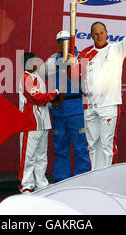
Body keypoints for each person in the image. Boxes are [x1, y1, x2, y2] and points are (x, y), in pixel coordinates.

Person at [68, 0, 126, 170]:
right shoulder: (84, 54)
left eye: (102, 32)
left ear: (106, 33)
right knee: (92, 145)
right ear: (91, 35)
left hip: (109, 105)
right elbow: (74, 80)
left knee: (107, 146)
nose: (99, 36)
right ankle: (96, 178)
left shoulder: (117, 49)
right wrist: (71, 65)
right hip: (89, 106)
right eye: (96, 33)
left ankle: (107, 180)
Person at [44, 30, 90, 182]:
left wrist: (73, 63)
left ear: (71, 42)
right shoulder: (52, 59)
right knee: (60, 147)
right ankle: (60, 179)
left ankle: (81, 178)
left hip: (75, 107)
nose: (63, 44)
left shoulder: (81, 57)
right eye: (60, 41)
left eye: (66, 41)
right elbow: (43, 76)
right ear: (57, 43)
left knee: (80, 147)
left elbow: (86, 78)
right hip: (58, 108)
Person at [18, 52, 61, 193]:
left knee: (41, 156)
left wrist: (51, 104)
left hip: (43, 123)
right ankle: (26, 185)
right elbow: (37, 98)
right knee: (28, 156)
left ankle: (41, 184)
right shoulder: (25, 78)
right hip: (30, 123)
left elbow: (42, 102)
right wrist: (55, 93)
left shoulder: (37, 77)